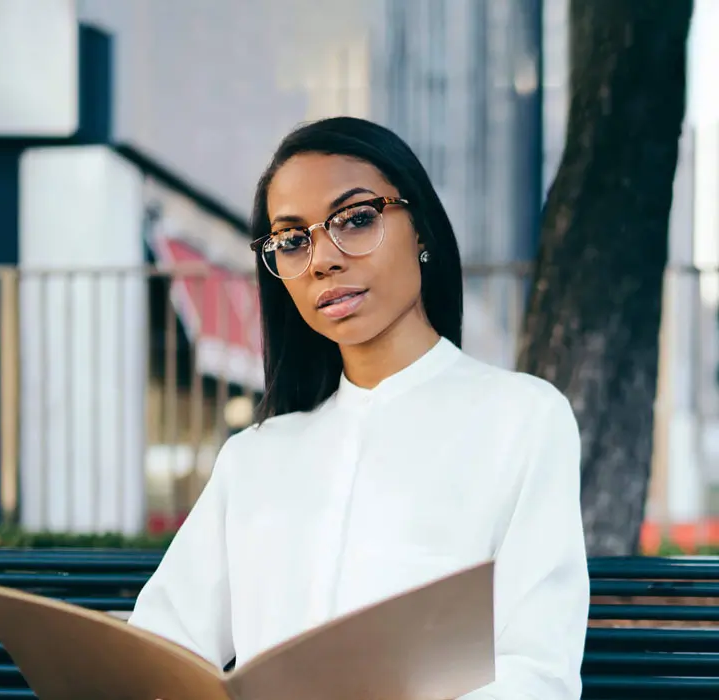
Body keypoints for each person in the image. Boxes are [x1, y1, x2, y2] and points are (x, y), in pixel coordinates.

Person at [128, 116, 590, 699]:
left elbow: (538, 672)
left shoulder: (521, 419)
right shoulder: (256, 457)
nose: (322, 259)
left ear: (420, 228)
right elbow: (162, 649)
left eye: (355, 219)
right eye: (293, 240)